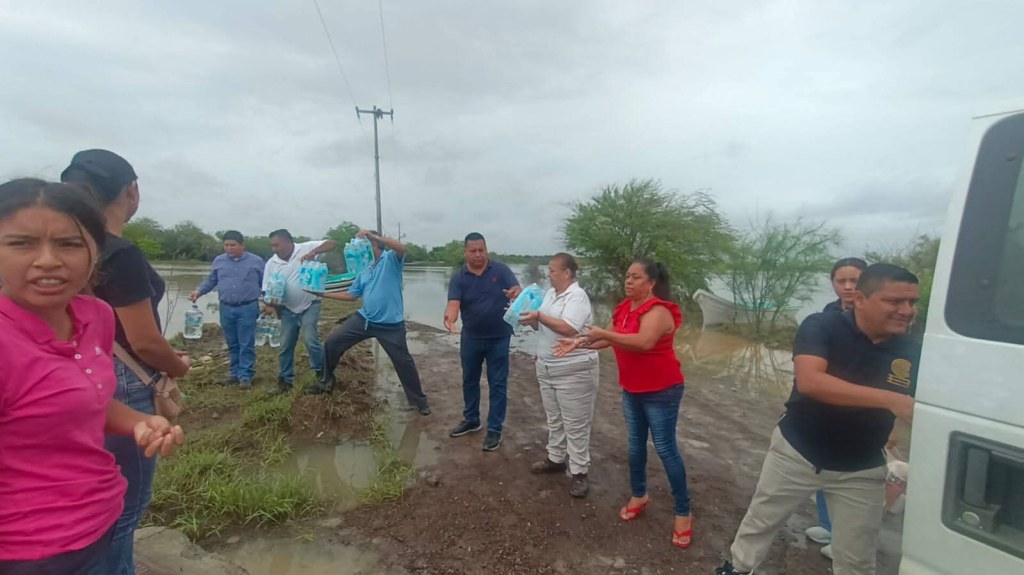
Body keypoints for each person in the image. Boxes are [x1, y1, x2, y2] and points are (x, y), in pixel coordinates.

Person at [0, 179, 184, 574]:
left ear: (95, 252)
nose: (48, 260)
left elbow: (86, 400)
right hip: (29, 552)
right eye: (21, 243)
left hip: (102, 517)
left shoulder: (94, 315)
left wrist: (141, 421)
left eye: (69, 244)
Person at [715, 263, 920, 575]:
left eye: (912, 302)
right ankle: (738, 568)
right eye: (894, 302)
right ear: (861, 299)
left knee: (857, 558)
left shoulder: (913, 351)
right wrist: (891, 400)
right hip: (798, 451)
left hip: (862, 467)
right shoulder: (822, 326)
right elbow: (811, 382)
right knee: (760, 522)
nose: (906, 310)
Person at [61, 150, 191, 575]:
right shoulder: (120, 253)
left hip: (68, 375)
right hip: (121, 383)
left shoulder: (61, 249)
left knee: (83, 497)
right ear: (132, 191)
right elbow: (145, 342)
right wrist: (180, 366)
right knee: (120, 508)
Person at [554, 258, 693, 548]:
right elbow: (608, 339)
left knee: (666, 450)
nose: (628, 281)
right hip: (633, 389)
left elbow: (642, 342)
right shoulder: (624, 308)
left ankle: (683, 513)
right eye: (627, 276)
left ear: (651, 283)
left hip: (662, 390)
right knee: (634, 446)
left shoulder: (658, 311)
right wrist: (578, 343)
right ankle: (639, 495)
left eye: (636, 277)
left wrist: (602, 334)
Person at [304, 230, 431, 415]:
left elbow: (401, 248)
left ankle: (419, 401)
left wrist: (375, 236)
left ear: (373, 245)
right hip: (364, 319)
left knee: (403, 362)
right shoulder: (364, 269)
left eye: (364, 244)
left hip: (390, 325)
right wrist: (322, 294)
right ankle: (326, 382)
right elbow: (351, 295)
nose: (359, 249)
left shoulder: (390, 260)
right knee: (332, 343)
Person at [519, 253, 599, 498]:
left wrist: (540, 316)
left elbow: (569, 327)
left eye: (552, 270)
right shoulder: (551, 294)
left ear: (566, 273)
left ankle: (579, 472)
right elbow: (541, 325)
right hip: (547, 366)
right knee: (554, 418)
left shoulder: (577, 296)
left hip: (574, 369)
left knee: (576, 423)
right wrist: (529, 316)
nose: (548, 274)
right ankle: (555, 458)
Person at [808, 256, 869, 559]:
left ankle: (846, 540)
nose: (847, 287)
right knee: (821, 464)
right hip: (827, 403)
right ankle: (828, 525)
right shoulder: (828, 314)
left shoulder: (878, 316)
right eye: (840, 281)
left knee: (853, 476)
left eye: (854, 280)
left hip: (862, 406)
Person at [444, 232, 521, 451]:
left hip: (500, 337)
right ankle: (471, 420)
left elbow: (518, 291)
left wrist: (516, 293)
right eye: (473, 251)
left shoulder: (501, 270)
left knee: (498, 384)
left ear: (486, 250)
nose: (478, 255)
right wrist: (450, 318)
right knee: (469, 380)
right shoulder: (458, 277)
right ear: (465, 252)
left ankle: (494, 429)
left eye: (481, 250)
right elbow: (453, 303)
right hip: (471, 338)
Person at [262, 229, 335, 396]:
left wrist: (314, 252)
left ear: (289, 242)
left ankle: (323, 376)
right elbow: (267, 290)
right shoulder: (271, 264)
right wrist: (270, 304)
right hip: (288, 308)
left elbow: (332, 243)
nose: (274, 249)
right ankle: (285, 381)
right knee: (285, 345)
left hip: (310, 303)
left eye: (277, 245)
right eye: (272, 245)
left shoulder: (305, 248)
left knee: (310, 340)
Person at [188, 231, 265, 389]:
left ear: (242, 245)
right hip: (226, 307)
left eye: (233, 245)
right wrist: (198, 291)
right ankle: (234, 373)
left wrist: (269, 302)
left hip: (247, 307)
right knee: (232, 343)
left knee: (246, 343)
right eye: (226, 245)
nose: (229, 248)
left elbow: (266, 283)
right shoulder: (219, 261)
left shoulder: (256, 261)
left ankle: (245, 375)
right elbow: (211, 280)